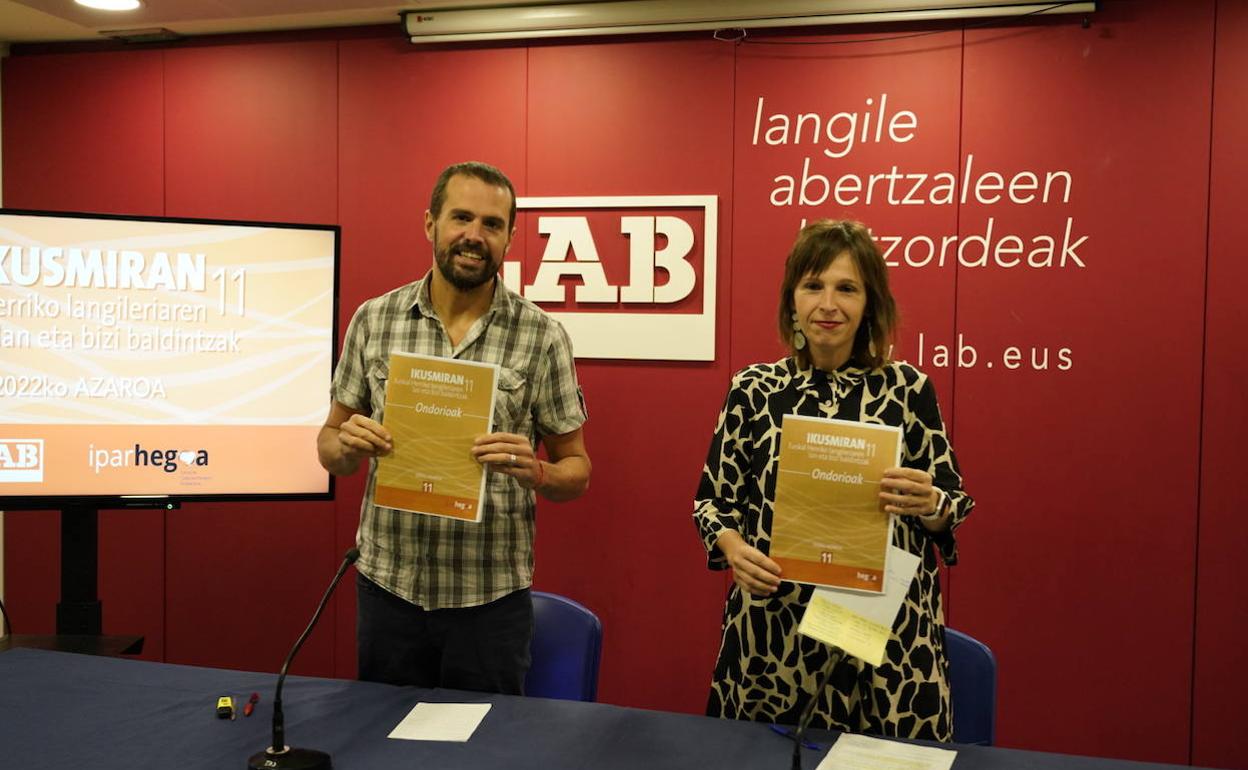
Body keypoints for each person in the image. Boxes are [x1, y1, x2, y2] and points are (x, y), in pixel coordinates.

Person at [693, 219, 973, 740]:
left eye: (847, 288)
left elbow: (952, 502)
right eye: (813, 285)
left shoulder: (910, 389)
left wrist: (928, 501)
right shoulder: (753, 389)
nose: (828, 304)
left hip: (885, 639)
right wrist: (733, 550)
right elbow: (712, 503)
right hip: (773, 634)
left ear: (870, 302)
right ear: (792, 299)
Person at [318, 161, 591, 694]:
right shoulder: (375, 320)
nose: (474, 235)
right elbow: (329, 444)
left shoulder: (541, 336)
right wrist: (347, 446)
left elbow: (577, 471)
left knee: (485, 750)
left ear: (510, 237)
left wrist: (534, 470)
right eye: (460, 217)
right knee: (381, 747)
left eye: (492, 224)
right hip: (388, 591)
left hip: (488, 604)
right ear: (430, 224)